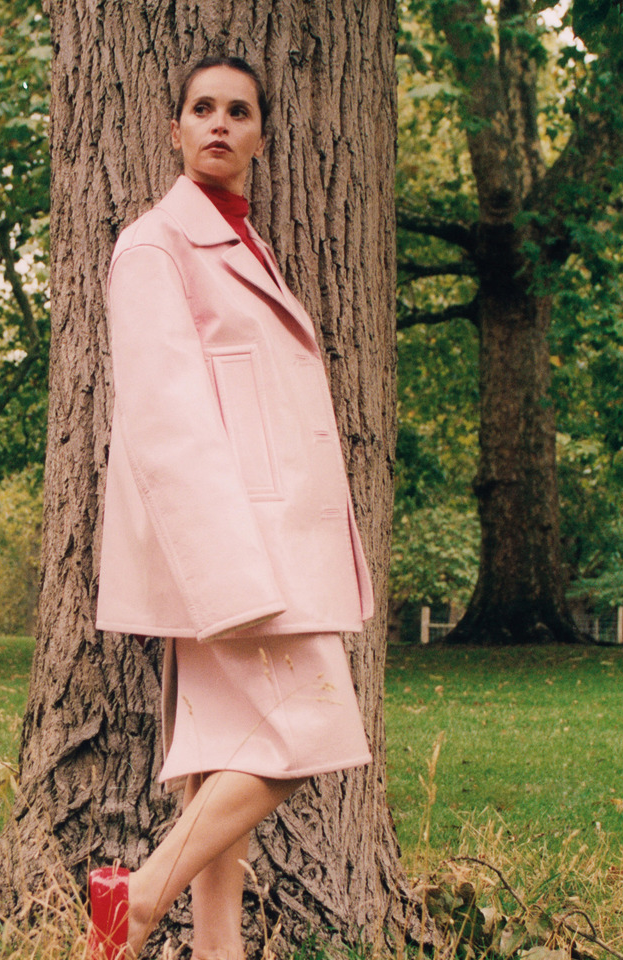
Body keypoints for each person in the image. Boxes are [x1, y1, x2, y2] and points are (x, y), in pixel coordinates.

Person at [85, 55, 375, 960]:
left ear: (261, 135)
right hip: (237, 556)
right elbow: (167, 425)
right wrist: (227, 578)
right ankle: (135, 902)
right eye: (201, 108)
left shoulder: (249, 243)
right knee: (312, 724)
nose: (219, 123)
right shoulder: (152, 246)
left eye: (238, 111)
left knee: (220, 764)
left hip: (264, 545)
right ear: (174, 131)